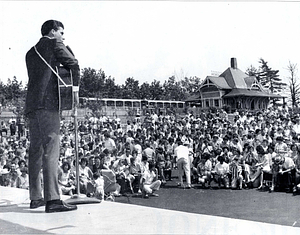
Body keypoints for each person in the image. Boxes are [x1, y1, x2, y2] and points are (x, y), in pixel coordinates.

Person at [25, 20, 79, 213]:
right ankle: (53, 199)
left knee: (36, 152)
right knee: (52, 150)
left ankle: (35, 197)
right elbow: (73, 63)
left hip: (32, 106)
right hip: (48, 105)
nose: (63, 36)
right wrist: (75, 89)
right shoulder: (55, 44)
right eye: (61, 32)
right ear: (53, 31)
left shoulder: (30, 52)